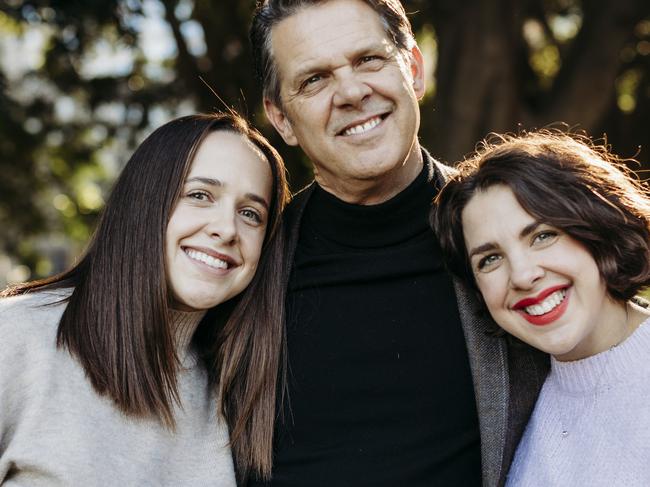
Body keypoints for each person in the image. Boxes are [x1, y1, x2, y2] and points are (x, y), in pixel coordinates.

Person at [248, 1, 547, 485]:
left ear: (413, 69)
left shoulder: (512, 234)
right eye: (314, 80)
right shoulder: (248, 269)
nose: (350, 92)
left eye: (368, 59)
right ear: (281, 119)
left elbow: (615, 342)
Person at [0, 112, 289, 485]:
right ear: (145, 202)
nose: (226, 229)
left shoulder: (238, 391)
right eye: (200, 195)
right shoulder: (19, 336)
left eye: (251, 213)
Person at [432, 130, 650, 486]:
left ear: (596, 226)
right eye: (490, 259)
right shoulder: (514, 403)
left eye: (542, 236)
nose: (522, 275)